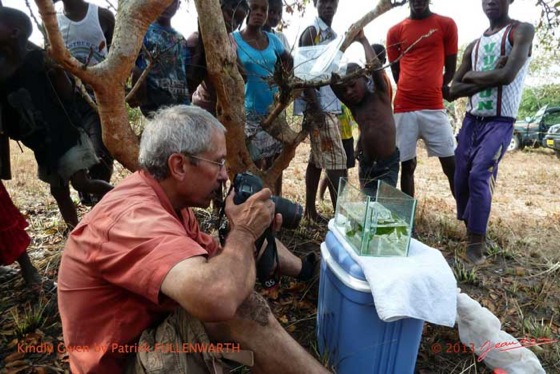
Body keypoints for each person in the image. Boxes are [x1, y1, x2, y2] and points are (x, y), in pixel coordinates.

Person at [57, 105, 328, 374]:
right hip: (119, 363)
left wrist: (271, 247)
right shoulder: (131, 217)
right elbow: (219, 295)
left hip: (145, 339)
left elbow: (219, 260)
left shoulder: (172, 205)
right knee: (240, 310)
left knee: (233, 280)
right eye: (218, 162)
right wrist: (243, 232)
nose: (224, 174)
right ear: (179, 165)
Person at [0, 7, 113, 229]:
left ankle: (121, 200)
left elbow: (68, 93)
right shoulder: (2, 71)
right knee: (58, 191)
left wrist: (59, 72)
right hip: (42, 145)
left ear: (14, 33)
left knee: (83, 182)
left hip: (67, 135)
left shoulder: (39, 59)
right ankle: (75, 230)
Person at [449, 0, 534, 265]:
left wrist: (474, 77)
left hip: (500, 121)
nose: (491, 2)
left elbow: (507, 76)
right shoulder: (474, 45)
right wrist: (489, 73)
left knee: (479, 176)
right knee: (460, 178)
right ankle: (470, 228)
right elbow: (453, 90)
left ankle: (476, 246)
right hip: (472, 120)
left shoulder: (521, 31)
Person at [386, 0, 458, 197]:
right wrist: (411, 87)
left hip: (434, 106)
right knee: (407, 165)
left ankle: (469, 222)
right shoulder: (395, 31)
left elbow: (450, 68)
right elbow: (396, 71)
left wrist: (433, 87)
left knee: (451, 165)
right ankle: (408, 223)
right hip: (404, 107)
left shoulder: (446, 24)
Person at [57, 0, 116, 205]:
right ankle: (93, 203)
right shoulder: (54, 23)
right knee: (79, 160)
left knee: (101, 153)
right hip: (69, 102)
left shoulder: (102, 16)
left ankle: (102, 204)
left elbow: (118, 55)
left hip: (99, 97)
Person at [232, 0, 293, 192]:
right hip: (249, 115)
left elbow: (288, 61)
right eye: (254, 8)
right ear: (246, 11)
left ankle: (276, 202)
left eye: (263, 9)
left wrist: (282, 81)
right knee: (254, 166)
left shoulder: (273, 40)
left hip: (274, 112)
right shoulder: (234, 40)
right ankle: (253, 206)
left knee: (276, 164)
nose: (259, 13)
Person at [294, 0, 347, 223]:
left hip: (329, 105)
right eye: (323, 1)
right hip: (319, 108)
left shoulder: (334, 36)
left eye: (332, 1)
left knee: (316, 160)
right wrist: (316, 108)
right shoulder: (311, 33)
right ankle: (340, 220)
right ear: (316, 3)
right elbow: (304, 75)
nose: (328, 5)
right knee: (338, 161)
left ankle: (310, 212)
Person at [331, 31, 399, 197]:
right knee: (368, 203)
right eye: (345, 89)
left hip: (387, 164)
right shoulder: (355, 106)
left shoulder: (380, 94)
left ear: (365, 77)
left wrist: (362, 40)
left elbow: (375, 68)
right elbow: (333, 83)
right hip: (367, 164)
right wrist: (338, 50)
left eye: (353, 85)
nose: (349, 92)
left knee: (383, 204)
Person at [128, 0, 191, 117]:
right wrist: (135, 72)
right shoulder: (143, 32)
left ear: (178, 4)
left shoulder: (180, 39)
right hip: (153, 108)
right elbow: (127, 64)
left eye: (171, 1)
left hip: (181, 108)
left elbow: (183, 73)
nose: (166, 5)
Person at [187, 0, 249, 116]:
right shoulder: (195, 40)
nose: (233, 23)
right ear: (217, 9)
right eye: (230, 14)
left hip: (223, 110)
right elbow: (190, 82)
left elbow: (243, 76)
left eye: (238, 22)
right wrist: (204, 42)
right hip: (202, 108)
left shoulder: (231, 42)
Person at [318, 104, 355, 200]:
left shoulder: (346, 102)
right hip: (338, 139)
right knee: (332, 171)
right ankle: (321, 196)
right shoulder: (333, 105)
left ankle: (341, 197)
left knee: (345, 170)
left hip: (348, 138)